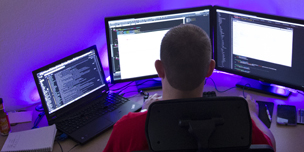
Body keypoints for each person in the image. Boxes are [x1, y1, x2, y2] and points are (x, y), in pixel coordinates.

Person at [103, 24, 276, 152]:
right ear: (210, 69)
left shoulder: (127, 129)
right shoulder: (237, 122)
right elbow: (269, 147)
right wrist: (252, 114)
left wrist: (144, 113)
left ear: (159, 69)